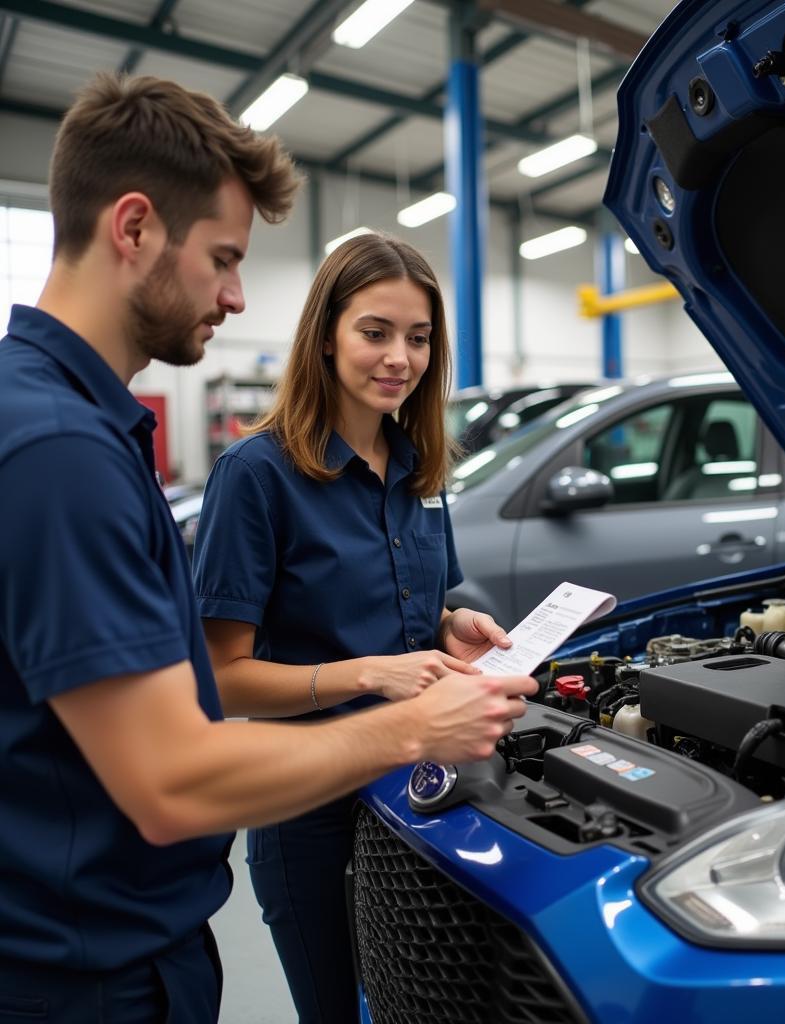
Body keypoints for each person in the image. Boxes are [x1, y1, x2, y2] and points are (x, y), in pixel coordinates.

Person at [0, 74, 536, 1023]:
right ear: (133, 228)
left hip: (136, 928)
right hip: (85, 964)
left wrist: (446, 632)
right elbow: (174, 770)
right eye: (223, 259)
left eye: (417, 338)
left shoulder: (85, 430)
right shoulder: (63, 451)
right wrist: (407, 714)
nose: (238, 296)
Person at [192, 231, 514, 1022]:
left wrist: (450, 625)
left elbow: (414, 608)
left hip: (420, 791)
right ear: (326, 335)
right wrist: (372, 672)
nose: (399, 357)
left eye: (418, 338)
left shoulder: (419, 468)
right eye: (375, 332)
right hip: (310, 808)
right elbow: (223, 677)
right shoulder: (257, 475)